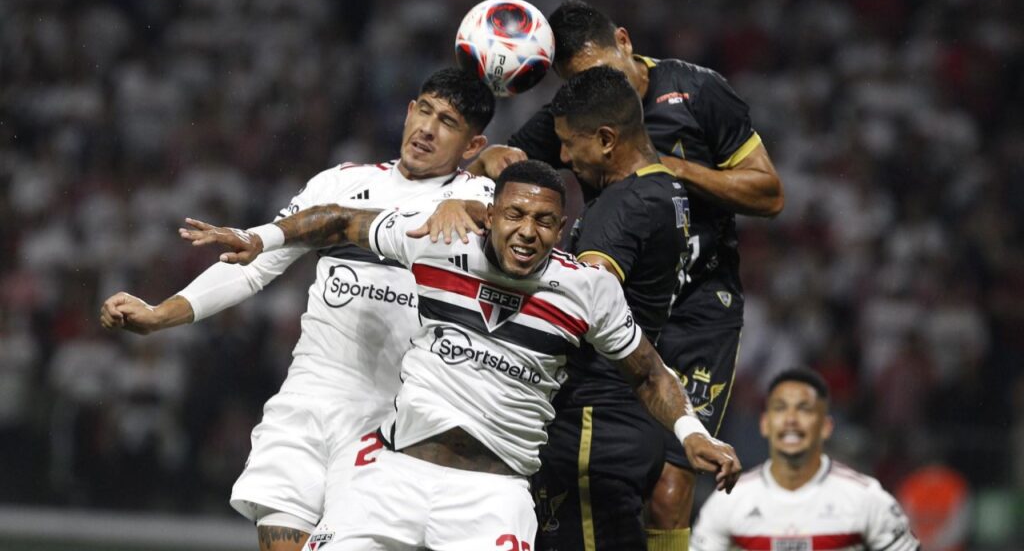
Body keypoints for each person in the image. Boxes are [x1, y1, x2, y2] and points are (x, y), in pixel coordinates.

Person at [180, 161, 742, 550]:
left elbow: (648, 372)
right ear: (491, 213)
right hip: (390, 474)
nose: (527, 232)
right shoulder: (438, 242)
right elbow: (338, 219)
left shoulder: (588, 288)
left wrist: (694, 434)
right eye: (516, 215)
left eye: (544, 221)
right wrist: (264, 239)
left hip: (492, 498)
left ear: (562, 229)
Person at [99, 68, 496, 551]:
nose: (428, 130)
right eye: (425, 111)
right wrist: (161, 314)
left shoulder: (477, 201)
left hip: (394, 423)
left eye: (449, 123)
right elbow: (253, 265)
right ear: (410, 110)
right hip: (307, 406)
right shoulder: (339, 182)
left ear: (473, 145)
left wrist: (491, 174)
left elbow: (499, 211)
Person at [472, 0, 785, 548]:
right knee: (605, 474)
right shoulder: (576, 111)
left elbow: (768, 192)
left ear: (623, 40)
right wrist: (492, 161)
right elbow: (501, 161)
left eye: (602, 74)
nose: (596, 91)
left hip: (698, 308)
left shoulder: (697, 91)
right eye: (579, 82)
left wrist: (672, 168)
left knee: (669, 483)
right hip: (626, 305)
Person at [529, 65, 694, 550]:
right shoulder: (666, 189)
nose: (562, 155)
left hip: (592, 426)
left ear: (605, 138)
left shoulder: (622, 208)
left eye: (568, 142)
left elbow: (581, 304)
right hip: (626, 418)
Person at [691, 367, 920, 551]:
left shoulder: (867, 498)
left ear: (826, 426)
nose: (791, 419)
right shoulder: (729, 502)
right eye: (780, 408)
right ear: (764, 423)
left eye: (804, 409)